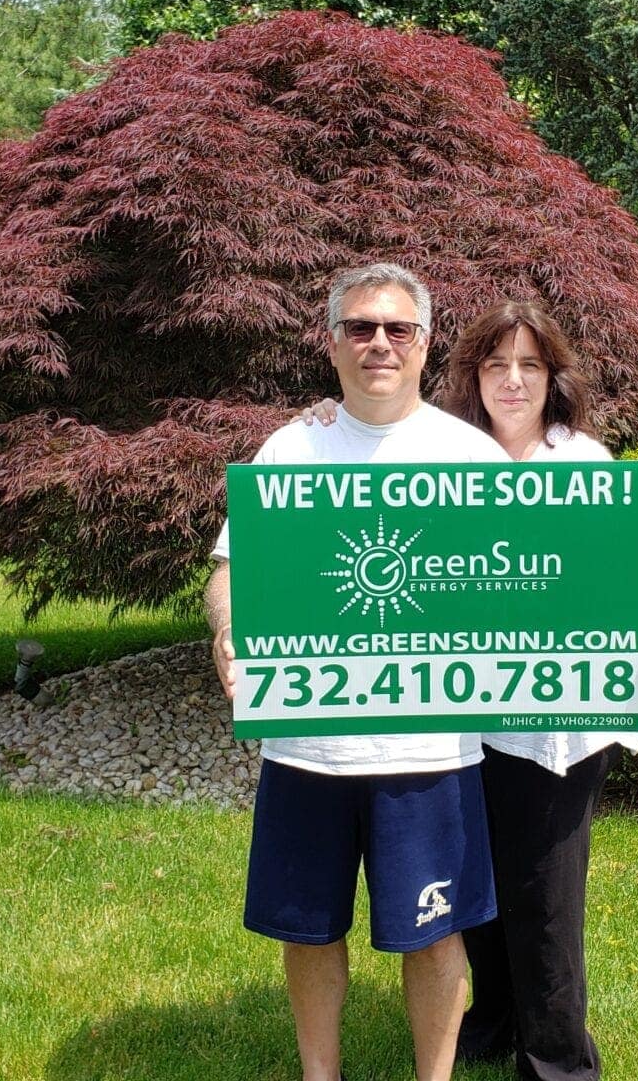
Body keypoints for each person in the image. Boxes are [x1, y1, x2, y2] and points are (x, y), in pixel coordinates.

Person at [302, 300, 638, 1081]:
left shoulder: (582, 465)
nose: (512, 380)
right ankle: (492, 1024)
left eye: (529, 365)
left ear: (553, 378)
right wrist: (325, 416)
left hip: (555, 725)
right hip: (467, 722)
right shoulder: (448, 454)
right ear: (474, 375)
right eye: (497, 365)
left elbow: (603, 590)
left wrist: (633, 645)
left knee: (545, 899)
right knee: (481, 888)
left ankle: (558, 1060)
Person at [204, 263, 508, 1081]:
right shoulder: (290, 448)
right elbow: (230, 572)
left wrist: (613, 644)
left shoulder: (470, 456)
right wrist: (229, 627)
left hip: (431, 751)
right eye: (361, 327)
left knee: (436, 935)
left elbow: (535, 583)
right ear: (333, 343)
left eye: (398, 328)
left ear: (425, 343)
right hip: (311, 747)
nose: (380, 343)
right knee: (308, 930)